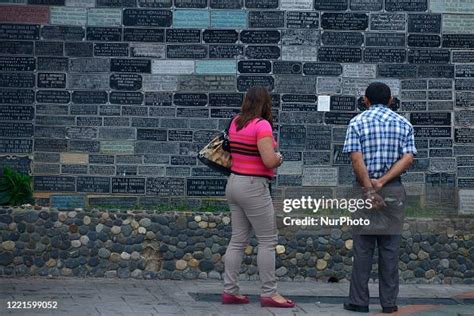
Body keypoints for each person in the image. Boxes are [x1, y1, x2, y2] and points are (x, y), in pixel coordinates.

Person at [342, 82, 417, 313]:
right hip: (393, 189)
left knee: (363, 248)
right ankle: (389, 303)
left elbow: (356, 160)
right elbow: (408, 158)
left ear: (365, 100)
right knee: (390, 249)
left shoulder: (357, 122)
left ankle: (359, 301)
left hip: (363, 189)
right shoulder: (404, 123)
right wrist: (383, 182)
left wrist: (369, 190)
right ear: (390, 100)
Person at [222, 87, 295, 308]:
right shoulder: (261, 125)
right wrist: (279, 157)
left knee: (237, 239)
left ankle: (230, 290)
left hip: (234, 182)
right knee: (268, 240)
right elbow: (269, 161)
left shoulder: (236, 121)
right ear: (265, 103)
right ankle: (269, 293)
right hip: (253, 185)